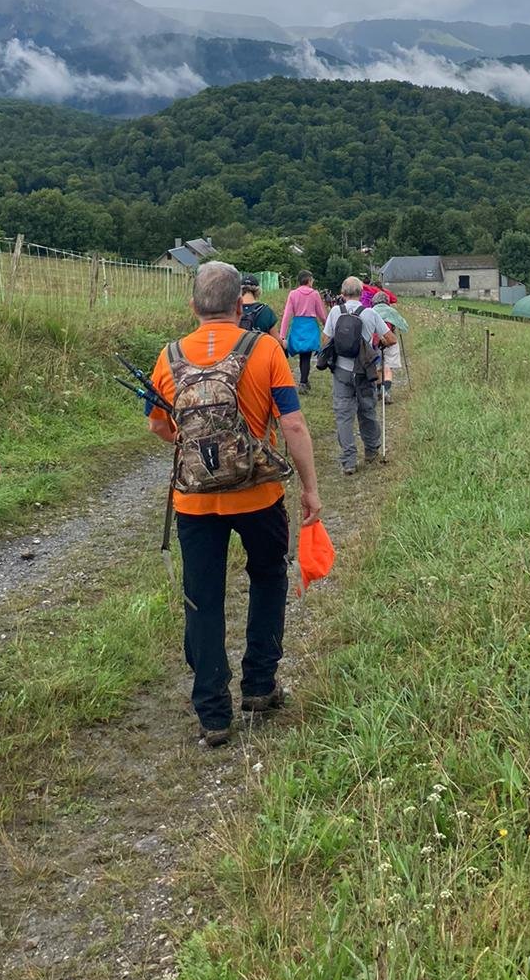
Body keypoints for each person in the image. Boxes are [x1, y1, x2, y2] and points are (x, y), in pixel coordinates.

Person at [148, 261, 322, 747]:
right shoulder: (265, 349)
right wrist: (310, 487)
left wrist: (200, 451)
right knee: (267, 578)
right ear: (239, 305)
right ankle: (260, 686)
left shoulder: (169, 356)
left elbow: (157, 425)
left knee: (202, 598)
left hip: (194, 501)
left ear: (193, 306)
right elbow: (292, 423)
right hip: (259, 494)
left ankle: (213, 714)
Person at [320, 275, 396, 474]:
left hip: (341, 371)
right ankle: (371, 450)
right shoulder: (370, 313)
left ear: (342, 293)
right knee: (367, 410)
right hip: (364, 370)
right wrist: (376, 344)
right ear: (362, 293)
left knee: (343, 415)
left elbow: (325, 339)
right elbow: (391, 339)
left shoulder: (336, 312)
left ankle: (349, 461)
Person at [279, 271, 328, 391]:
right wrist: (326, 325)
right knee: (306, 355)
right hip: (310, 326)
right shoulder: (315, 294)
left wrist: (282, 335)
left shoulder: (293, 294)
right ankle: (303, 381)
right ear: (309, 280)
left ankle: (301, 380)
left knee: (300, 353)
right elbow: (321, 314)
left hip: (298, 325)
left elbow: (287, 315)